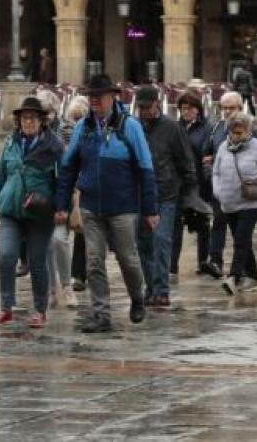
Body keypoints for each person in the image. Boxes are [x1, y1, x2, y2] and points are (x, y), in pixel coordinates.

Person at [55, 74, 158, 334]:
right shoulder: (83, 127)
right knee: (93, 262)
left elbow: (146, 169)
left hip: (123, 207)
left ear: (112, 97)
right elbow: (68, 168)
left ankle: (137, 297)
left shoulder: (130, 126)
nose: (94, 101)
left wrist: (150, 209)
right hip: (91, 207)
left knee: (128, 259)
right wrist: (61, 205)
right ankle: (101, 314)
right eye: (90, 96)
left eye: (98, 96)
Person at [0, 97, 65, 328]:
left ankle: (40, 310)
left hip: (40, 213)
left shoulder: (54, 146)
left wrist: (61, 207)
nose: (28, 122)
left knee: (37, 261)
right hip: (11, 210)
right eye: (24, 118)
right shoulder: (10, 143)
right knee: (6, 256)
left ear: (41, 121)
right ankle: (6, 307)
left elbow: (63, 181)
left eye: (32, 118)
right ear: (19, 121)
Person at [133, 85, 200, 309]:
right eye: (139, 107)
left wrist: (189, 192)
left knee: (161, 240)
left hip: (166, 193)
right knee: (143, 243)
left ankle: (161, 290)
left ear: (157, 104)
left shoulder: (172, 128)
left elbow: (185, 160)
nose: (143, 111)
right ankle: (151, 287)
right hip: (140, 194)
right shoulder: (135, 128)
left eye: (146, 107)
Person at [211, 112, 257, 295]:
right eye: (233, 131)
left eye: (240, 132)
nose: (236, 135)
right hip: (229, 203)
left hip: (252, 203)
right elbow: (215, 172)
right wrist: (218, 192)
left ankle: (234, 277)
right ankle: (254, 276)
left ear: (248, 131)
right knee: (243, 240)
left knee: (240, 238)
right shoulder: (223, 147)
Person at [201, 91, 257, 278]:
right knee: (218, 223)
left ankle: (247, 268)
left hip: (242, 189)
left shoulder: (251, 128)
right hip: (221, 187)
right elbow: (206, 153)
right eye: (224, 108)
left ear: (240, 109)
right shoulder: (216, 127)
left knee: (240, 232)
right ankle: (216, 262)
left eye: (231, 108)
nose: (227, 112)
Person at [172, 91, 212, 280]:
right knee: (175, 224)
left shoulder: (207, 128)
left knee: (202, 223)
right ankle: (172, 264)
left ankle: (203, 261)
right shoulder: (175, 127)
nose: (185, 112)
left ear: (198, 110)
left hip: (199, 183)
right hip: (178, 183)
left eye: (189, 108)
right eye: (182, 108)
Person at [58, 95, 90, 301]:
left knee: (81, 232)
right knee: (61, 236)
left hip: (82, 188)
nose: (76, 121)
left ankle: (78, 274)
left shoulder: (90, 133)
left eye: (80, 117)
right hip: (66, 185)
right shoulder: (61, 135)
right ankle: (65, 276)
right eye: (74, 117)